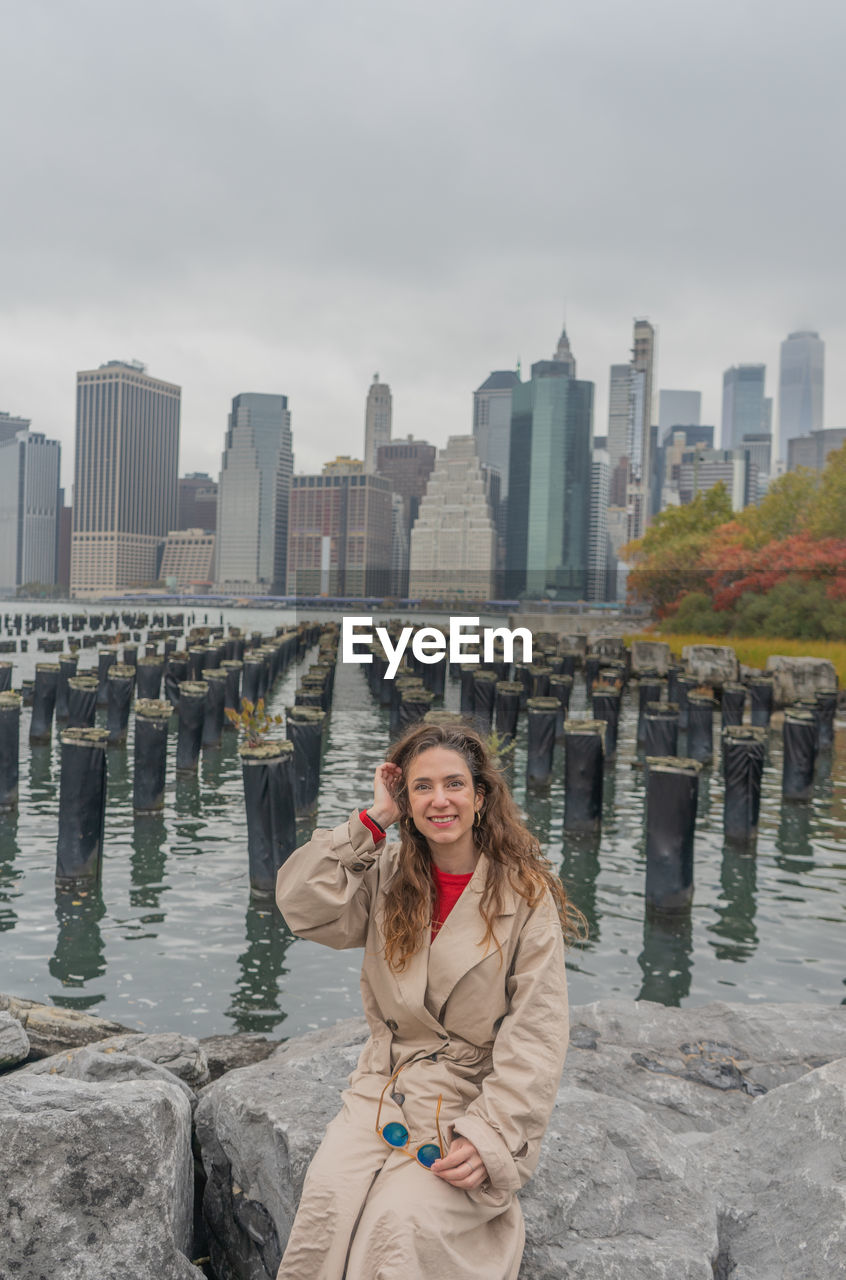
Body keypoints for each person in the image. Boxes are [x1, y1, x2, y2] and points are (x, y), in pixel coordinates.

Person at [274, 721, 584, 1280]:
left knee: (396, 1226)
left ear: (480, 795)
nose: (440, 800)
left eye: (454, 784)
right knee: (325, 1211)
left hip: (468, 1097)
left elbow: (537, 1031)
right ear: (406, 800)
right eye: (421, 788)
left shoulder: (525, 894)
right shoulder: (387, 874)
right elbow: (302, 907)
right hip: (381, 1087)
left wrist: (493, 1134)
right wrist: (374, 821)